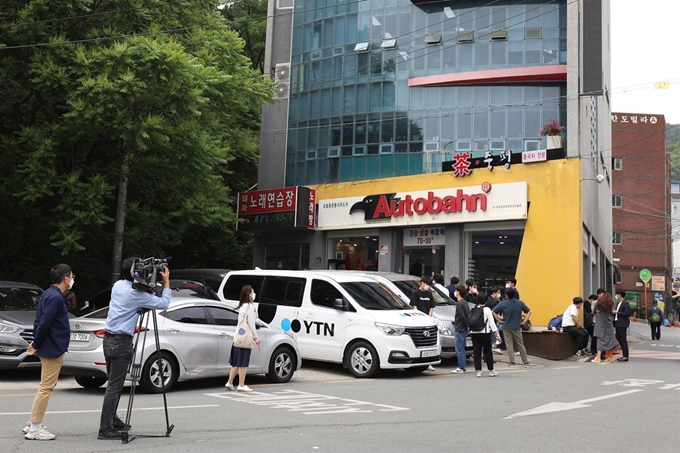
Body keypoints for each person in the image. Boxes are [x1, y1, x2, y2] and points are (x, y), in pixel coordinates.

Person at [98, 258, 172, 440]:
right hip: (121, 343)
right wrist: (166, 281)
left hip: (108, 340)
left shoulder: (117, 286)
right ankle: (105, 429)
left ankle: (112, 419)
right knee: (115, 387)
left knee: (113, 384)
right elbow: (163, 303)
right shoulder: (137, 295)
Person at [23, 264, 73, 441]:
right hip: (52, 347)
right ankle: (35, 427)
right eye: (72, 276)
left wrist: (36, 341)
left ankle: (32, 423)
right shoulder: (56, 298)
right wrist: (36, 343)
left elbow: (41, 321)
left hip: (48, 344)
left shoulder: (48, 293)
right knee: (46, 388)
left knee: (43, 387)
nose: (73, 279)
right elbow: (44, 322)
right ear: (66, 279)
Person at [225, 285, 261, 391]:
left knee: (236, 362)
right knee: (243, 363)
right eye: (253, 292)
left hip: (238, 337)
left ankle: (230, 382)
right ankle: (241, 384)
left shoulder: (242, 306)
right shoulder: (250, 307)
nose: (254, 294)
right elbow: (251, 324)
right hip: (246, 338)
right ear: (249, 294)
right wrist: (256, 337)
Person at [492, 288, 532, 367]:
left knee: (509, 345)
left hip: (506, 326)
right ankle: (525, 361)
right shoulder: (520, 303)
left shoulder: (503, 303)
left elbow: (493, 311)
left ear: (506, 295)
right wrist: (524, 321)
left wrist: (499, 320)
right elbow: (529, 311)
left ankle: (512, 362)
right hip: (517, 326)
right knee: (520, 344)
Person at [470, 292, 501, 377]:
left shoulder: (473, 308)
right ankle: (491, 370)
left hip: (474, 333)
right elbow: (492, 323)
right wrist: (497, 333)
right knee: (487, 351)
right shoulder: (487, 310)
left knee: (477, 352)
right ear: (486, 301)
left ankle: (478, 371)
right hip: (485, 333)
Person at [592, 292, 619, 363]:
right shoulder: (610, 305)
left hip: (599, 325)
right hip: (608, 325)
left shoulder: (597, 305)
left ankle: (598, 357)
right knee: (610, 340)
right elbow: (610, 313)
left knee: (600, 341)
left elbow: (593, 312)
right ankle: (610, 356)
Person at [451, 285, 470, 374]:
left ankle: (461, 367)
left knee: (459, 349)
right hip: (464, 328)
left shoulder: (459, 303)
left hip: (460, 328)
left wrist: (466, 325)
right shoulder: (465, 303)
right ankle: (462, 366)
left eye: (456, 290)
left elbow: (462, 316)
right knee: (462, 348)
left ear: (458, 292)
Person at [613, 290, 631, 362]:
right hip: (617, 323)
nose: (616, 296)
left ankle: (625, 356)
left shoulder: (625, 303)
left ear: (620, 295)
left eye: (617, 294)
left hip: (623, 324)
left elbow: (627, 314)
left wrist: (617, 312)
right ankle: (623, 355)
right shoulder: (618, 303)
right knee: (619, 339)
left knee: (623, 340)